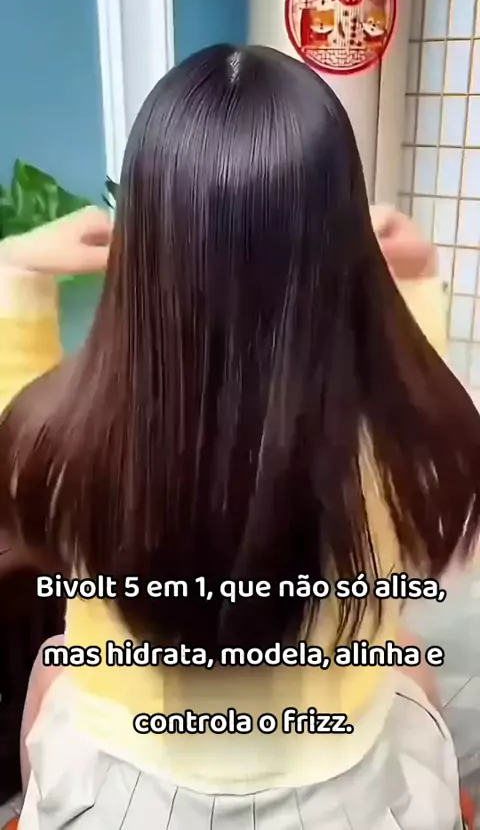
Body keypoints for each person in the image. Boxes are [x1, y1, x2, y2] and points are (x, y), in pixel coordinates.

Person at [1, 45, 479, 830]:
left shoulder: (59, 445)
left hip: (123, 802)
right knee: (407, 662)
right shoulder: (406, 447)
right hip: (351, 797)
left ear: (147, 245)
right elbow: (413, 393)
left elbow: (15, 415)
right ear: (343, 249)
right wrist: (421, 275)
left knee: (56, 662)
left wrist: (18, 272)